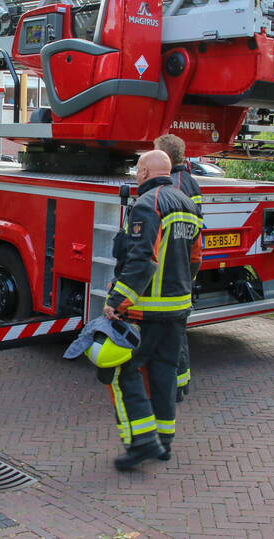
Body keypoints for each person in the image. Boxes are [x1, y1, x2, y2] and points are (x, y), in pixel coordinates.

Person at [104, 150, 202, 470]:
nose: (136, 175)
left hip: (147, 311)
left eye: (137, 170)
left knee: (122, 371)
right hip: (177, 310)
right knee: (163, 373)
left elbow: (143, 259)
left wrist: (117, 301)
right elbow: (196, 258)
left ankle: (142, 442)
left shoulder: (148, 205)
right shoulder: (187, 204)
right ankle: (163, 442)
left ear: (145, 171)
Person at [154, 134, 203, 402]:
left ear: (165, 158)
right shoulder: (190, 181)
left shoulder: (174, 185)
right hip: (185, 264)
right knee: (177, 332)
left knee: (171, 334)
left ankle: (174, 385)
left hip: (172, 268)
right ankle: (180, 383)